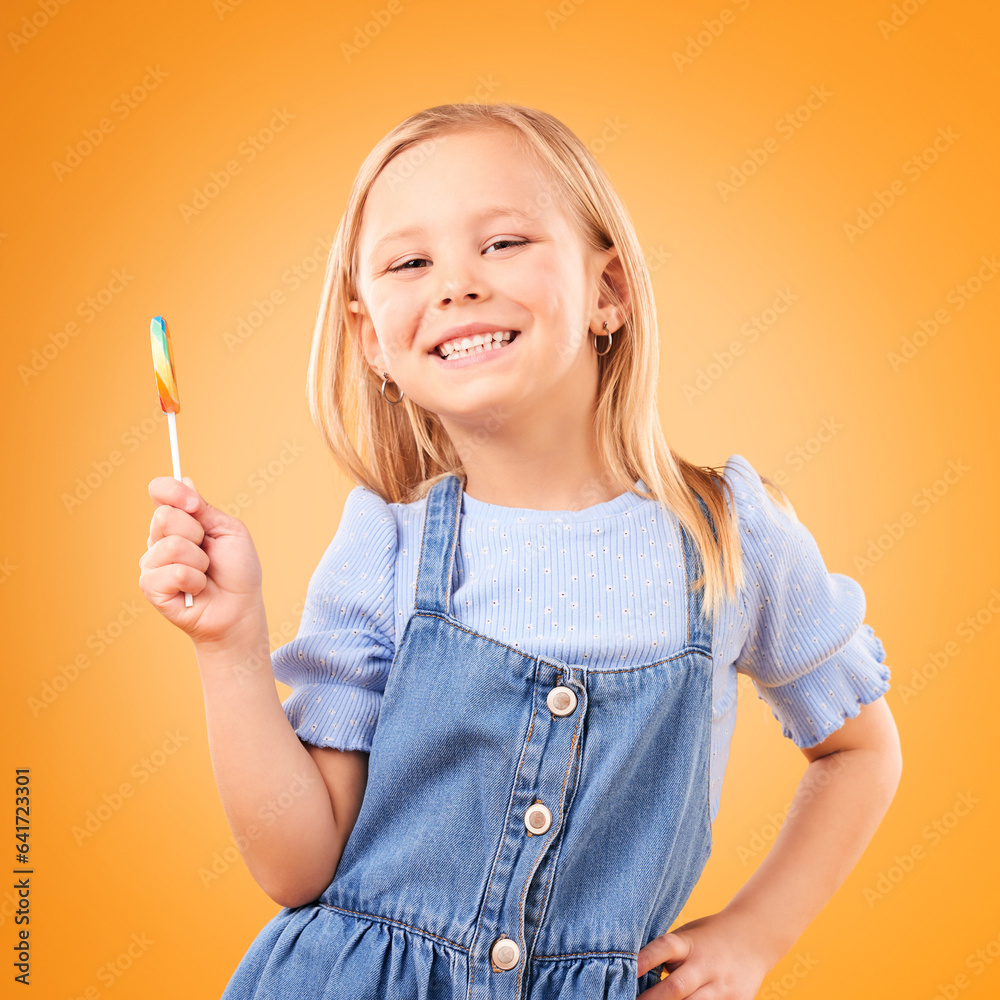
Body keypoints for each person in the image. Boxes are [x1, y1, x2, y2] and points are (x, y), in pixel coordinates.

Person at [138, 102, 902, 999]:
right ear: (371, 340)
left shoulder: (730, 536)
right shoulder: (384, 549)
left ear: (608, 291)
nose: (455, 285)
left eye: (502, 243)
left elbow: (860, 751)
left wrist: (754, 935)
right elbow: (299, 868)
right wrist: (229, 648)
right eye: (410, 262)